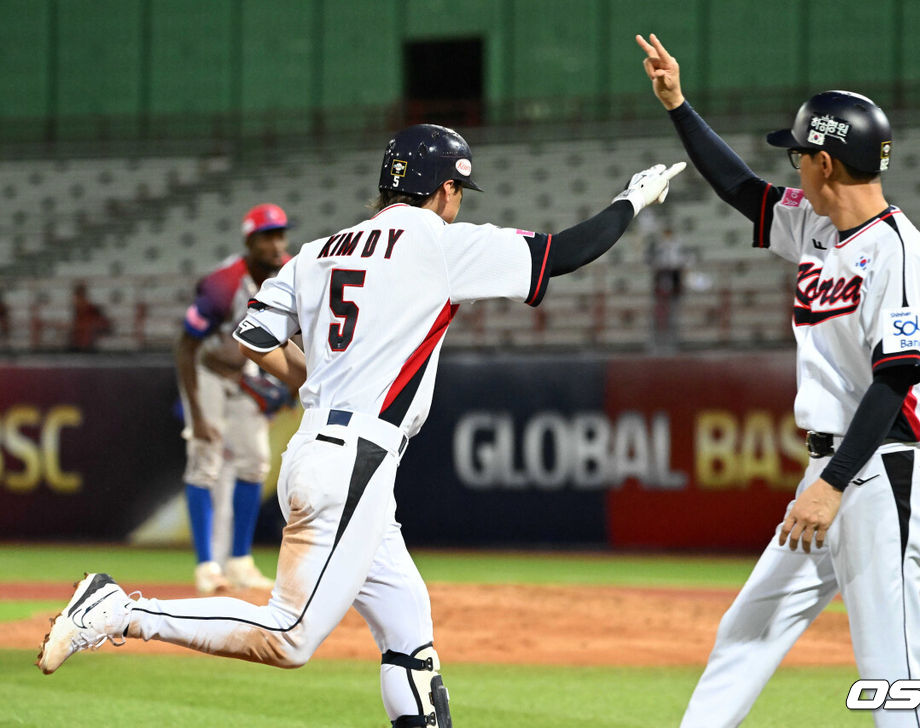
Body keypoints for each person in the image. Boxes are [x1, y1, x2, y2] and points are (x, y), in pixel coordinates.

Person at [37, 123, 685, 727]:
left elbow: (255, 332)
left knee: (407, 635)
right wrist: (629, 201)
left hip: (324, 449)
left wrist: (310, 382)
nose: (458, 201)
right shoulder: (439, 241)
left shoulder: (316, 251)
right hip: (355, 458)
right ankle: (119, 611)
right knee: (288, 637)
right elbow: (564, 253)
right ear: (446, 188)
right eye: (458, 190)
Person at [637, 34, 920, 728]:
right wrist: (679, 106)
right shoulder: (817, 225)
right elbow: (743, 191)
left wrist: (833, 486)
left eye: (799, 153)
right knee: (746, 631)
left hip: (877, 474)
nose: (794, 164)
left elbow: (894, 382)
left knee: (891, 676)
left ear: (826, 161)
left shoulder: (896, 253)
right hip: (834, 476)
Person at [174, 203, 291, 594]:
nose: (276, 243)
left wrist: (287, 387)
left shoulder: (289, 273)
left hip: (245, 373)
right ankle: (207, 567)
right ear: (249, 242)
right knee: (204, 462)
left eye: (280, 234)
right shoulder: (224, 284)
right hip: (208, 371)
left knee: (256, 462)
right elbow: (185, 347)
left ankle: (239, 561)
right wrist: (197, 415)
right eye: (266, 236)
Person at [68, 282, 112, 351]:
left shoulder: (92, 309)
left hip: (88, 346)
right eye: (76, 297)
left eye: (79, 297)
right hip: (77, 346)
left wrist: (92, 328)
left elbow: (107, 325)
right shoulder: (78, 310)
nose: (76, 300)